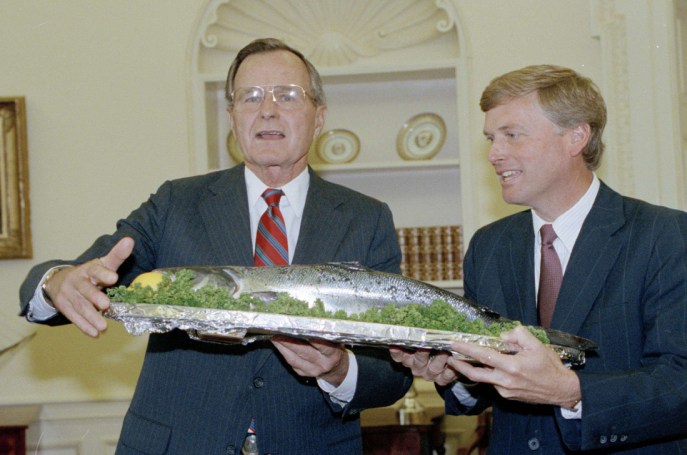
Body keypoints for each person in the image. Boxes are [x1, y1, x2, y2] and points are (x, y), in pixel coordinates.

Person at [19, 38, 412, 454]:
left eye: (287, 95)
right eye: (251, 96)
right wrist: (57, 282)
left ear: (319, 118)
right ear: (232, 117)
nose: (268, 109)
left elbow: (393, 369)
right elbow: (89, 271)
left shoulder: (365, 219)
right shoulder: (176, 204)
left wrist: (339, 369)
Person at [390, 64, 687, 453]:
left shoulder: (666, 235)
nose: (494, 154)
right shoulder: (489, 247)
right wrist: (451, 374)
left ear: (576, 137)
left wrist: (572, 392)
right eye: (490, 138)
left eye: (511, 136)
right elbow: (481, 390)